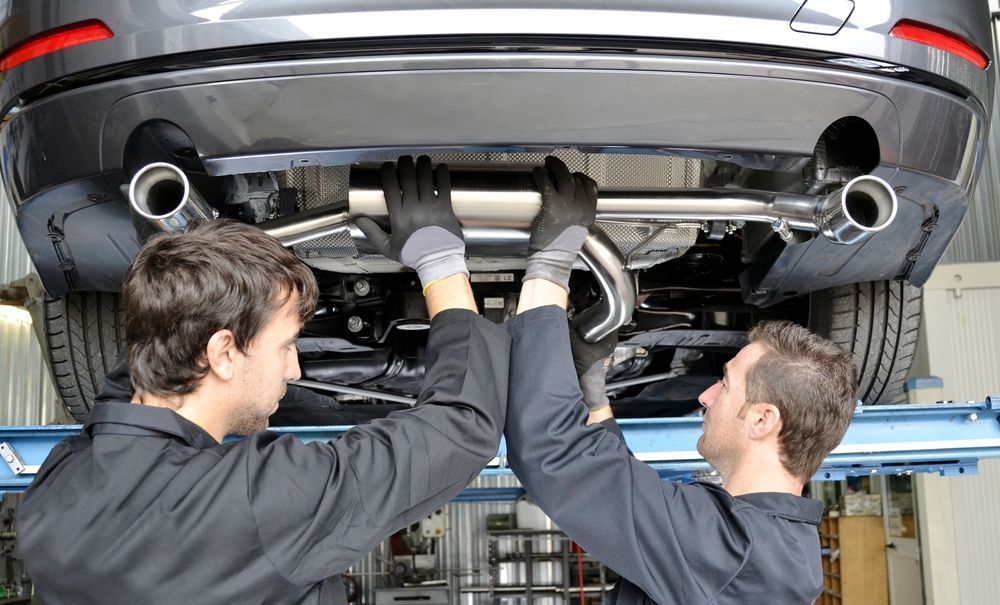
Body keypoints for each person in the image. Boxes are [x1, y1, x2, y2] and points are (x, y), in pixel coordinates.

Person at [17, 156, 510, 605]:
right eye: (287, 345)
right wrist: (440, 259)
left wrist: (205, 263)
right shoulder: (255, 503)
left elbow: (140, 374)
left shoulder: (55, 498)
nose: (294, 369)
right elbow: (460, 429)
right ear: (223, 352)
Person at [504, 156, 859, 604]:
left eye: (726, 384)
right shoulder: (763, 551)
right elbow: (627, 497)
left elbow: (554, 459)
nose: (706, 395)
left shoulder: (742, 551)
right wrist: (593, 389)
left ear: (763, 420)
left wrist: (552, 262)